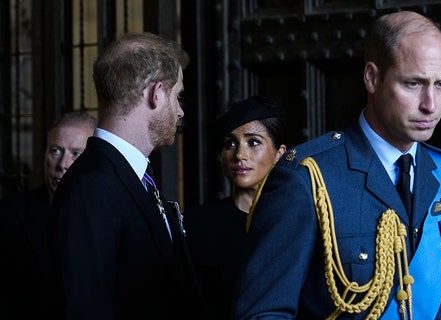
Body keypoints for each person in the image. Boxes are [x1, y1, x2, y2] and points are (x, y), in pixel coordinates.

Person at [233, 11, 441, 320]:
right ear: (372, 78)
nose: (430, 104)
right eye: (413, 83)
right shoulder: (307, 179)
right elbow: (263, 313)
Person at [49, 32, 207, 319]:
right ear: (156, 94)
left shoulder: (134, 174)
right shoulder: (91, 186)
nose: (181, 111)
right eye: (178, 96)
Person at [184, 95, 287, 319]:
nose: (240, 155)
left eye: (254, 142)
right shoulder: (196, 224)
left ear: (279, 154)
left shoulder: (293, 223)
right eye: (230, 143)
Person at [0, 111, 95, 319]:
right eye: (56, 151)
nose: (62, 164)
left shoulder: (108, 216)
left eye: (76, 154)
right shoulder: (9, 216)